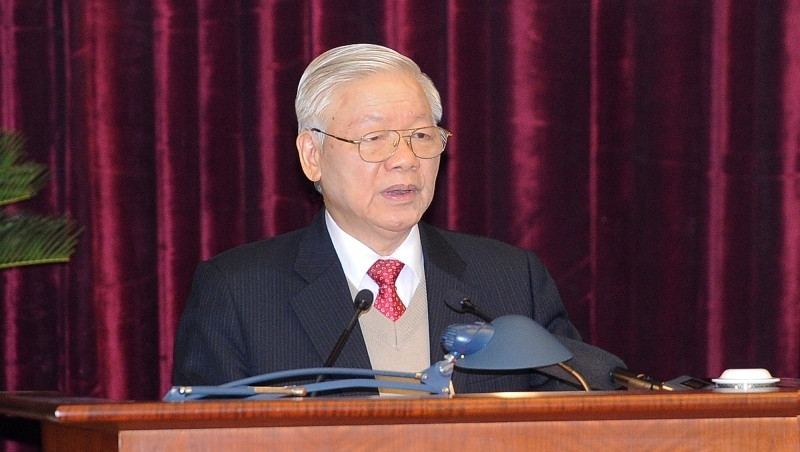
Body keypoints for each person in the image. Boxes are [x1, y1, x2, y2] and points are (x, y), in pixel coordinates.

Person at [173, 43, 624, 393]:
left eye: (421, 136)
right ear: (312, 155)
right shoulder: (238, 292)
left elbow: (583, 407)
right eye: (376, 138)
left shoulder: (510, 280)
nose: (405, 160)